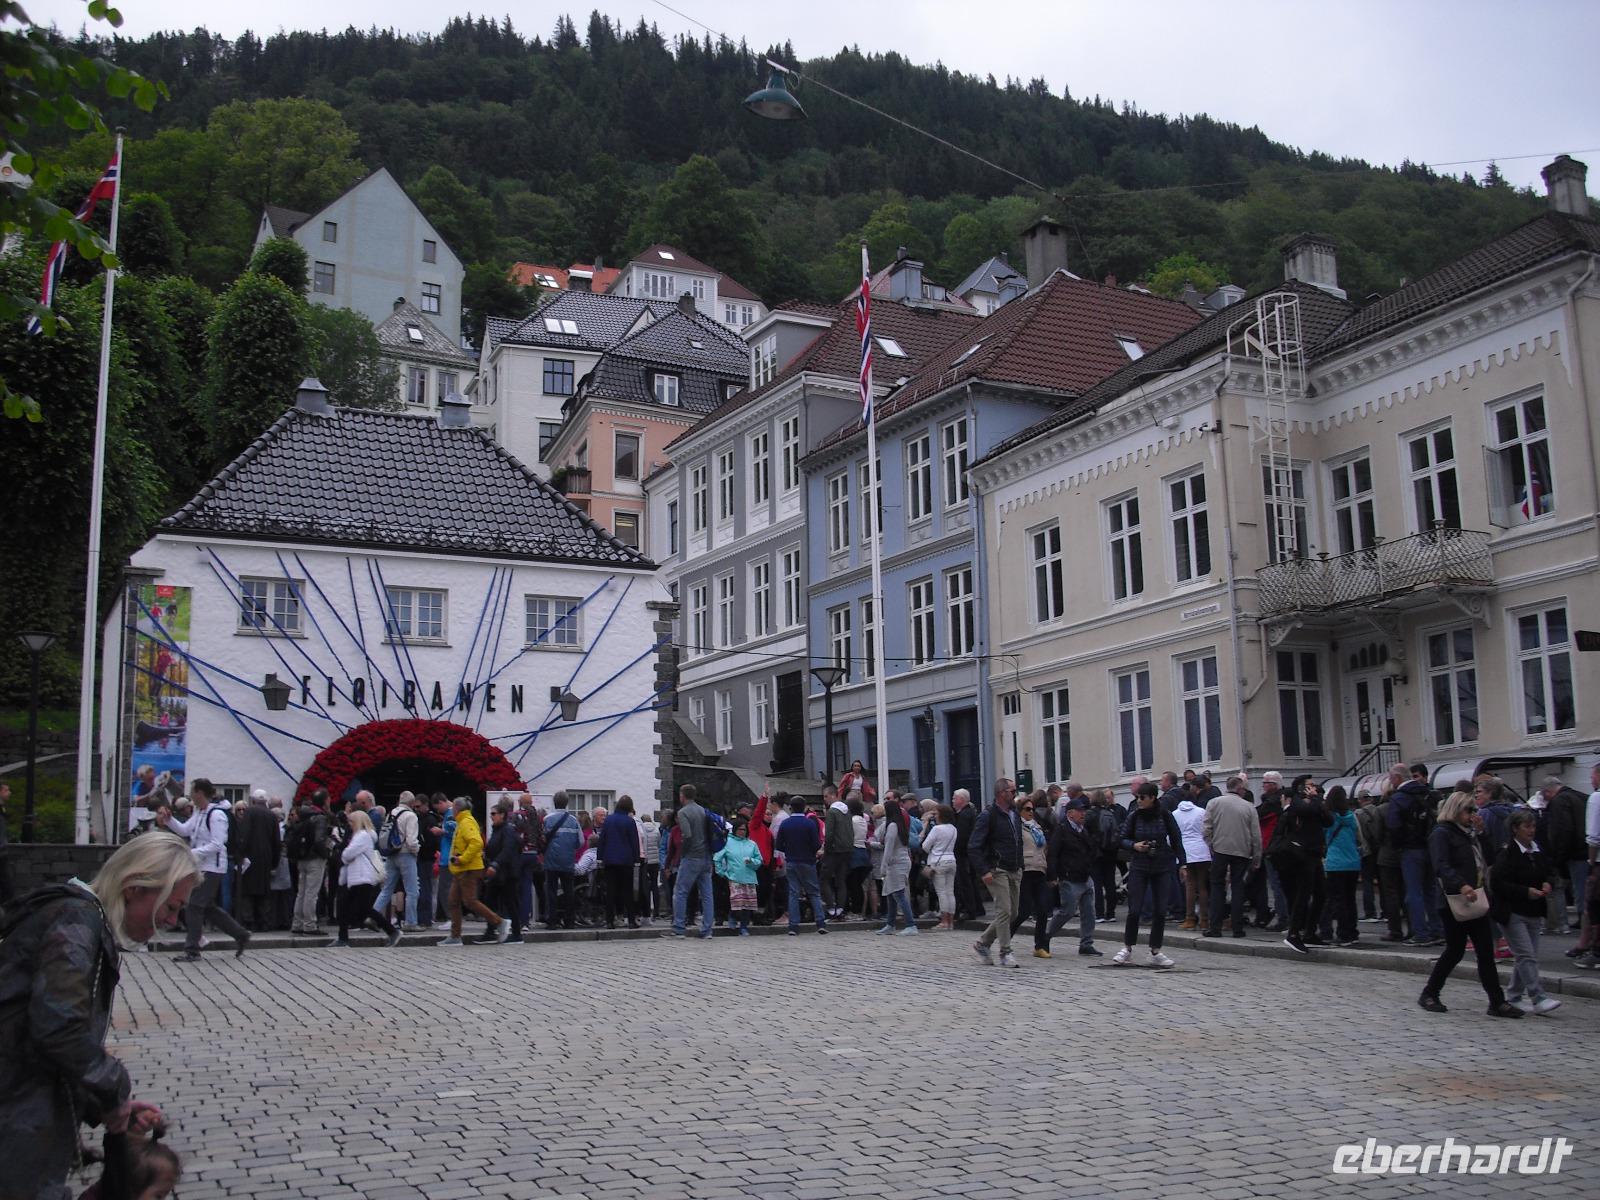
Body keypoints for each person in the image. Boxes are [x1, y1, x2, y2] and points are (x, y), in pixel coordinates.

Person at [0, 832, 199, 1200]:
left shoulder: (80, 919)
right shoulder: (78, 921)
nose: (172, 920)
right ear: (134, 887)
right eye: (171, 907)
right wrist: (114, 1090)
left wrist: (97, 1101)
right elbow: (60, 1028)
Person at [1418, 791, 1522, 1018]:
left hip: (1476, 897)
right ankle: (1430, 992)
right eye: (1469, 810)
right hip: (1454, 900)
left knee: (1485, 952)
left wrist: (1483, 833)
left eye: (1474, 810)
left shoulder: (1469, 834)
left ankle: (1497, 1002)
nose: (1473, 814)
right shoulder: (1442, 834)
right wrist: (1460, 884)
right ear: (1456, 811)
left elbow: (1490, 858)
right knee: (1454, 951)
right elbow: (1441, 866)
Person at [156, 779, 250, 962]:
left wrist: (191, 852)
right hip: (202, 866)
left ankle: (192, 949)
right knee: (206, 907)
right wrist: (169, 820)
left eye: (192, 791)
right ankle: (240, 934)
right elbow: (185, 830)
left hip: (213, 868)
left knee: (194, 905)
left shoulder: (216, 815)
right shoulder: (200, 812)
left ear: (200, 793)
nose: (190, 795)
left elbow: (217, 844)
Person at [1490, 810, 1561, 1015]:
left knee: (1526, 956)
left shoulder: (1537, 851)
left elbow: (1548, 871)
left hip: (1533, 910)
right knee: (1526, 954)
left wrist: (1547, 882)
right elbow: (1498, 883)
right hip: (1512, 912)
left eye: (1533, 826)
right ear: (1515, 829)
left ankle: (1513, 995)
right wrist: (1525, 891)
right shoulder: (1507, 853)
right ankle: (1538, 997)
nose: (1531, 830)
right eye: (1526, 826)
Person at [1115, 782, 1185, 968]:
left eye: (1142, 798)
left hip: (1162, 865)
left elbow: (1176, 838)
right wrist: (1135, 846)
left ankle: (1155, 950)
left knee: (1160, 910)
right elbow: (1121, 838)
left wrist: (1182, 863)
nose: (1139, 801)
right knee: (1135, 910)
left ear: (1153, 798)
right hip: (1139, 865)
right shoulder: (1134, 816)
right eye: (1138, 797)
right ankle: (1127, 948)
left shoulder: (1164, 815)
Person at [1389, 762, 1443, 946]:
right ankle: (1438, 929)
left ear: (1397, 778)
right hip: (1430, 846)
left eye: (1391, 778)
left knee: (1413, 893)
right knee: (1431, 890)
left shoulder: (1399, 798)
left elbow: (1394, 826)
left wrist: (1397, 846)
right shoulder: (1427, 793)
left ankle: (1421, 933)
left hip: (1411, 849)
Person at [971, 778, 1023, 968]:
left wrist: (1020, 865)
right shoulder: (988, 815)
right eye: (1012, 790)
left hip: (1014, 868)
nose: (1015, 794)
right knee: (1004, 910)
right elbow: (974, 846)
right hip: (997, 868)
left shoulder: (1014, 814)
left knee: (1013, 912)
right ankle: (1005, 952)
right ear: (1002, 793)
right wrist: (984, 870)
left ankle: (983, 943)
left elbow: (1018, 841)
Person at [1276, 780, 1332, 955]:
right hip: (1302, 855)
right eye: (1310, 785)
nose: (1314, 787)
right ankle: (1293, 933)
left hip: (1315, 854)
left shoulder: (1315, 805)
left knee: (1321, 894)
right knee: (1303, 894)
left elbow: (1328, 821)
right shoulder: (1297, 805)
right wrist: (1315, 800)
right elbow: (1306, 810)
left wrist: (1318, 802)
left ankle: (1309, 932)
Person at [443, 798, 506, 947]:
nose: (451, 810)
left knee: (470, 901)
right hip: (461, 869)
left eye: (453, 807)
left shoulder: (466, 822)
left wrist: (463, 859)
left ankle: (499, 922)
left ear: (457, 808)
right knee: (453, 901)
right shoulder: (462, 821)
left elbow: (477, 842)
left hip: (468, 869)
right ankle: (455, 936)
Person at [1203, 776, 1260, 938]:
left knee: (1216, 887)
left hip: (1220, 849)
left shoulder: (1214, 803)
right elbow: (1256, 836)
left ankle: (1215, 927)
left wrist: (1212, 845)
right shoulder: (1249, 807)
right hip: (1241, 851)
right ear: (1240, 789)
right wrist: (1256, 858)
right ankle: (1237, 928)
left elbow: (1206, 828)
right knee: (1237, 888)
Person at [1044, 795, 1101, 956]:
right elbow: (1053, 854)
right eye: (1079, 811)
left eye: (1084, 811)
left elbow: (1091, 849)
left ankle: (1086, 943)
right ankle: (1046, 936)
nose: (1083, 814)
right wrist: (1052, 875)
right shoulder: (1062, 830)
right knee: (1067, 911)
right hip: (1069, 878)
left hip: (1085, 876)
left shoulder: (1084, 830)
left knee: (1089, 912)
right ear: (1070, 814)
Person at [337, 810, 400, 947]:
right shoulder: (360, 836)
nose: (349, 824)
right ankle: (342, 938)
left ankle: (392, 931)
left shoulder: (362, 836)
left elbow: (347, 854)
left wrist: (346, 855)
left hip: (362, 877)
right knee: (346, 908)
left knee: (362, 909)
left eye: (351, 822)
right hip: (356, 877)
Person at [774, 796, 827, 935]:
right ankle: (820, 922)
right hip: (808, 861)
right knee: (814, 892)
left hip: (791, 861)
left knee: (793, 893)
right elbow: (816, 844)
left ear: (790, 807)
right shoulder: (809, 823)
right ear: (804, 807)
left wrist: (790, 851)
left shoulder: (785, 824)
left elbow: (779, 844)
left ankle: (793, 926)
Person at [671, 784, 717, 939]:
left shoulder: (683, 812)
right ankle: (707, 930)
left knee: (680, 892)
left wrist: (683, 854)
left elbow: (687, 835)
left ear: (682, 795)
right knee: (707, 894)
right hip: (706, 856)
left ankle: (679, 928)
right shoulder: (703, 811)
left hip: (692, 857)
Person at [373, 791, 423, 932]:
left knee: (387, 889)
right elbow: (411, 840)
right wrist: (416, 850)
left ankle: (372, 916)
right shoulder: (410, 816)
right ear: (412, 803)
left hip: (391, 854)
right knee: (412, 890)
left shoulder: (391, 813)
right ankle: (411, 922)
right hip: (406, 855)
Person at [1009, 792, 1051, 957]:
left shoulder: (1036, 826)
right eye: (1027, 809)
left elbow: (1044, 847)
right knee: (1023, 911)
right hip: (1025, 871)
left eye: (1032, 809)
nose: (1031, 812)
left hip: (1039, 870)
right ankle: (1006, 940)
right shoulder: (1016, 827)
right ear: (1020, 811)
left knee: (1043, 909)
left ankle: (1040, 946)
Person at [1321, 787, 1362, 946]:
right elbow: (1359, 838)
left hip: (1335, 863)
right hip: (1352, 862)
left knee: (1336, 899)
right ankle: (1352, 931)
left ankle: (1341, 933)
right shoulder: (1352, 817)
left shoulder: (1329, 818)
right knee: (1350, 899)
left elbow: (1323, 837)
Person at [287, 789, 330, 935]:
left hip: (302, 857)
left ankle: (297, 923)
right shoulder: (320, 818)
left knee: (301, 892)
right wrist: (326, 854)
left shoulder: (304, 814)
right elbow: (319, 840)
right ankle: (310, 925)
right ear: (325, 801)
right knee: (312, 893)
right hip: (314, 858)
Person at [713, 816, 763, 935]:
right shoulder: (727, 843)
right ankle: (732, 917)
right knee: (736, 902)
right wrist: (721, 872)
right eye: (740, 829)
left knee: (747, 905)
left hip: (749, 878)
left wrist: (752, 861)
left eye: (744, 830)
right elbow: (717, 858)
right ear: (735, 829)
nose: (742, 832)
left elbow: (759, 860)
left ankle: (744, 927)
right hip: (733, 878)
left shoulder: (752, 844)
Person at [598, 796, 642, 929]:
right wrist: (636, 859)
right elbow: (634, 842)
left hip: (610, 860)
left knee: (611, 891)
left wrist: (600, 857)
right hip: (626, 860)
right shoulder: (630, 821)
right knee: (627, 891)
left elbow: (602, 839)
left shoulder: (608, 820)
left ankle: (610, 921)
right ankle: (631, 920)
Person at [483, 800, 525, 944]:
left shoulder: (507, 830)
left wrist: (495, 864)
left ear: (502, 815)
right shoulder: (496, 829)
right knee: (490, 901)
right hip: (498, 874)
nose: (491, 816)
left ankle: (517, 934)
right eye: (491, 814)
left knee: (511, 903)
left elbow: (507, 850)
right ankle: (490, 931)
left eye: (494, 814)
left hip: (507, 873)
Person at [874, 799, 917, 936]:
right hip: (898, 861)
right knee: (891, 894)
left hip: (897, 862)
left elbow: (889, 848)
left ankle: (911, 924)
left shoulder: (892, 826)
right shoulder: (899, 824)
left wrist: (883, 866)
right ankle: (890, 923)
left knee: (898, 893)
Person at [542, 792, 582, 930]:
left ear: (554, 802)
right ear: (566, 803)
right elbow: (581, 842)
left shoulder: (547, 819)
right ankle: (569, 921)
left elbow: (542, 839)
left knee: (551, 891)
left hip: (551, 860)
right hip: (568, 861)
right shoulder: (573, 820)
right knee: (568, 891)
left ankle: (552, 921)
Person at [1173, 788, 1210, 930]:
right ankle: (1204, 920)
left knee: (1189, 885)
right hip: (1202, 850)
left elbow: (1173, 835)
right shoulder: (1201, 812)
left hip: (1185, 851)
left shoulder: (1175, 814)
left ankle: (1189, 918)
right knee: (1202, 886)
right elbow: (1206, 830)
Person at [922, 805, 959, 930]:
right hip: (951, 859)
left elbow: (925, 846)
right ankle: (951, 921)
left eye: (937, 814)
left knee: (941, 892)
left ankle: (944, 921)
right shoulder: (954, 829)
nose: (935, 817)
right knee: (950, 891)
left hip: (938, 861)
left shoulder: (937, 829)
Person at [821, 786, 852, 921]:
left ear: (832, 795)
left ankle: (830, 908)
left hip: (834, 850)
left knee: (824, 879)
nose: (825, 800)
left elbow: (829, 834)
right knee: (841, 880)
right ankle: (840, 909)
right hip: (847, 849)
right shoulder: (847, 811)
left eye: (826, 796)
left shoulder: (832, 812)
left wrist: (825, 849)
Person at [952, 788, 983, 921]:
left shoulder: (965, 815)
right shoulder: (969, 813)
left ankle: (970, 909)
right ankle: (978, 907)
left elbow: (962, 836)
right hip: (968, 852)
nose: (953, 800)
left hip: (963, 853)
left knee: (965, 882)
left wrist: (956, 849)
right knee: (970, 881)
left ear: (962, 800)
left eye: (955, 798)